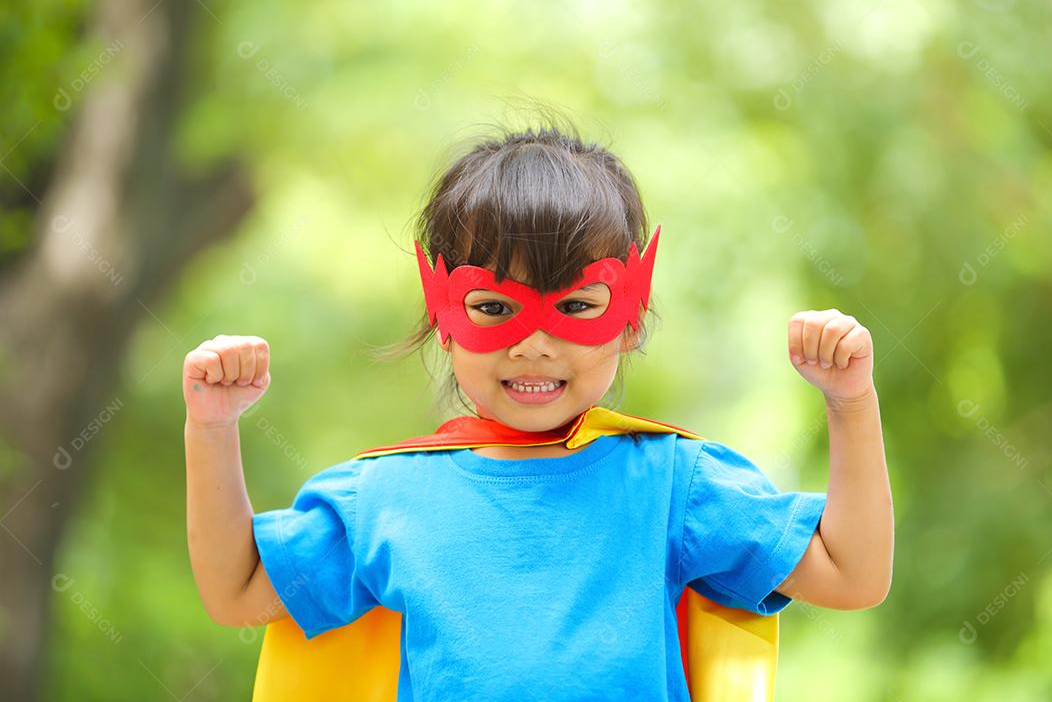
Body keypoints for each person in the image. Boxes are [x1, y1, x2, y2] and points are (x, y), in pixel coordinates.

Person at [183, 120, 893, 701]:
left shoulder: (673, 484)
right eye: (494, 308)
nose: (534, 343)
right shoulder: (387, 496)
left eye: (578, 307)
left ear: (630, 321)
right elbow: (238, 590)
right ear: (444, 316)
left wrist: (849, 403)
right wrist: (212, 427)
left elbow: (853, 575)